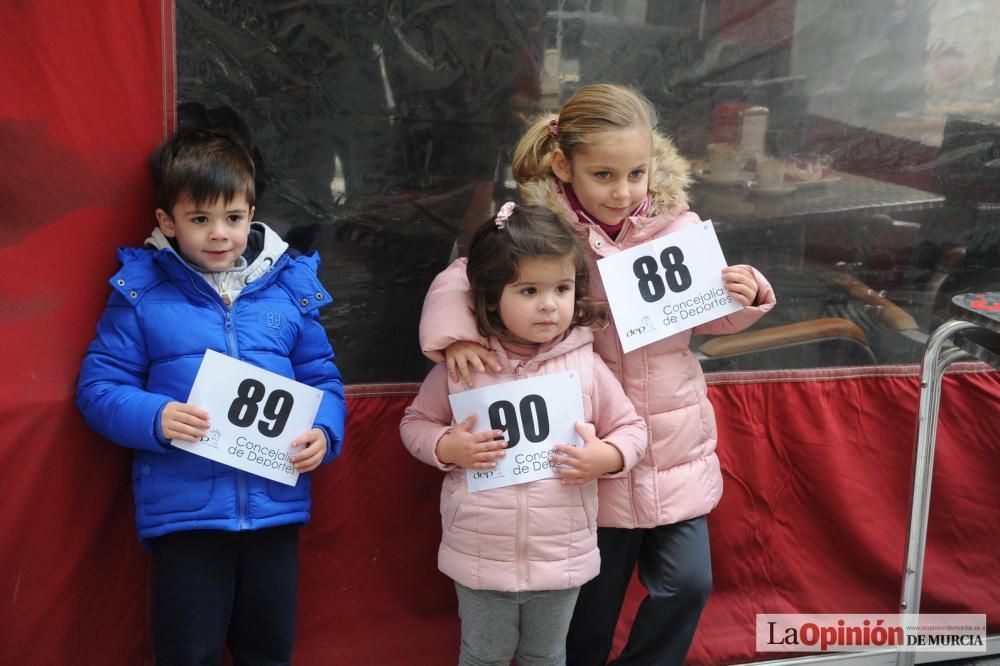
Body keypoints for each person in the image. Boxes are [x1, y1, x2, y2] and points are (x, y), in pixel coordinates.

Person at [417, 83, 776, 665]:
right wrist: (455, 333)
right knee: (588, 615)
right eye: (605, 175)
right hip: (587, 457)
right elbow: (462, 277)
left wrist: (748, 291)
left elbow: (718, 316)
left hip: (670, 448)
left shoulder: (678, 226)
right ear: (564, 165)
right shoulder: (541, 229)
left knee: (689, 584)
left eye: (636, 173)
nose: (624, 190)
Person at [75, 128, 347, 666]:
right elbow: (98, 387)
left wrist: (325, 432)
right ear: (167, 222)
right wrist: (155, 417)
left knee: (267, 651)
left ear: (251, 214)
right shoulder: (141, 295)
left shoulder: (288, 291)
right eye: (200, 219)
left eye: (233, 218)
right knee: (186, 652)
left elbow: (324, 379)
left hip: (274, 513)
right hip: (186, 520)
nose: (219, 234)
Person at [400, 202, 648, 666]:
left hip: (562, 556)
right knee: (484, 655)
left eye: (562, 288)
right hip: (479, 554)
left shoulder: (586, 366)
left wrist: (609, 457)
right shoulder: (464, 365)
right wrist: (445, 447)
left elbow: (632, 428)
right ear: (491, 296)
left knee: (546, 655)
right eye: (529, 290)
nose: (549, 304)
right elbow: (415, 422)